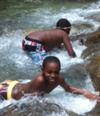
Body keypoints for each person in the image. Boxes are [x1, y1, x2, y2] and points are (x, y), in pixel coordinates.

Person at [0, 56, 100, 101]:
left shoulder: (59, 79)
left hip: (16, 84)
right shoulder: (40, 81)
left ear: (60, 70)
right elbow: (28, 98)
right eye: (49, 72)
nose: (53, 75)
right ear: (43, 70)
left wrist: (87, 94)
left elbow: (69, 89)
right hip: (7, 93)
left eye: (56, 72)